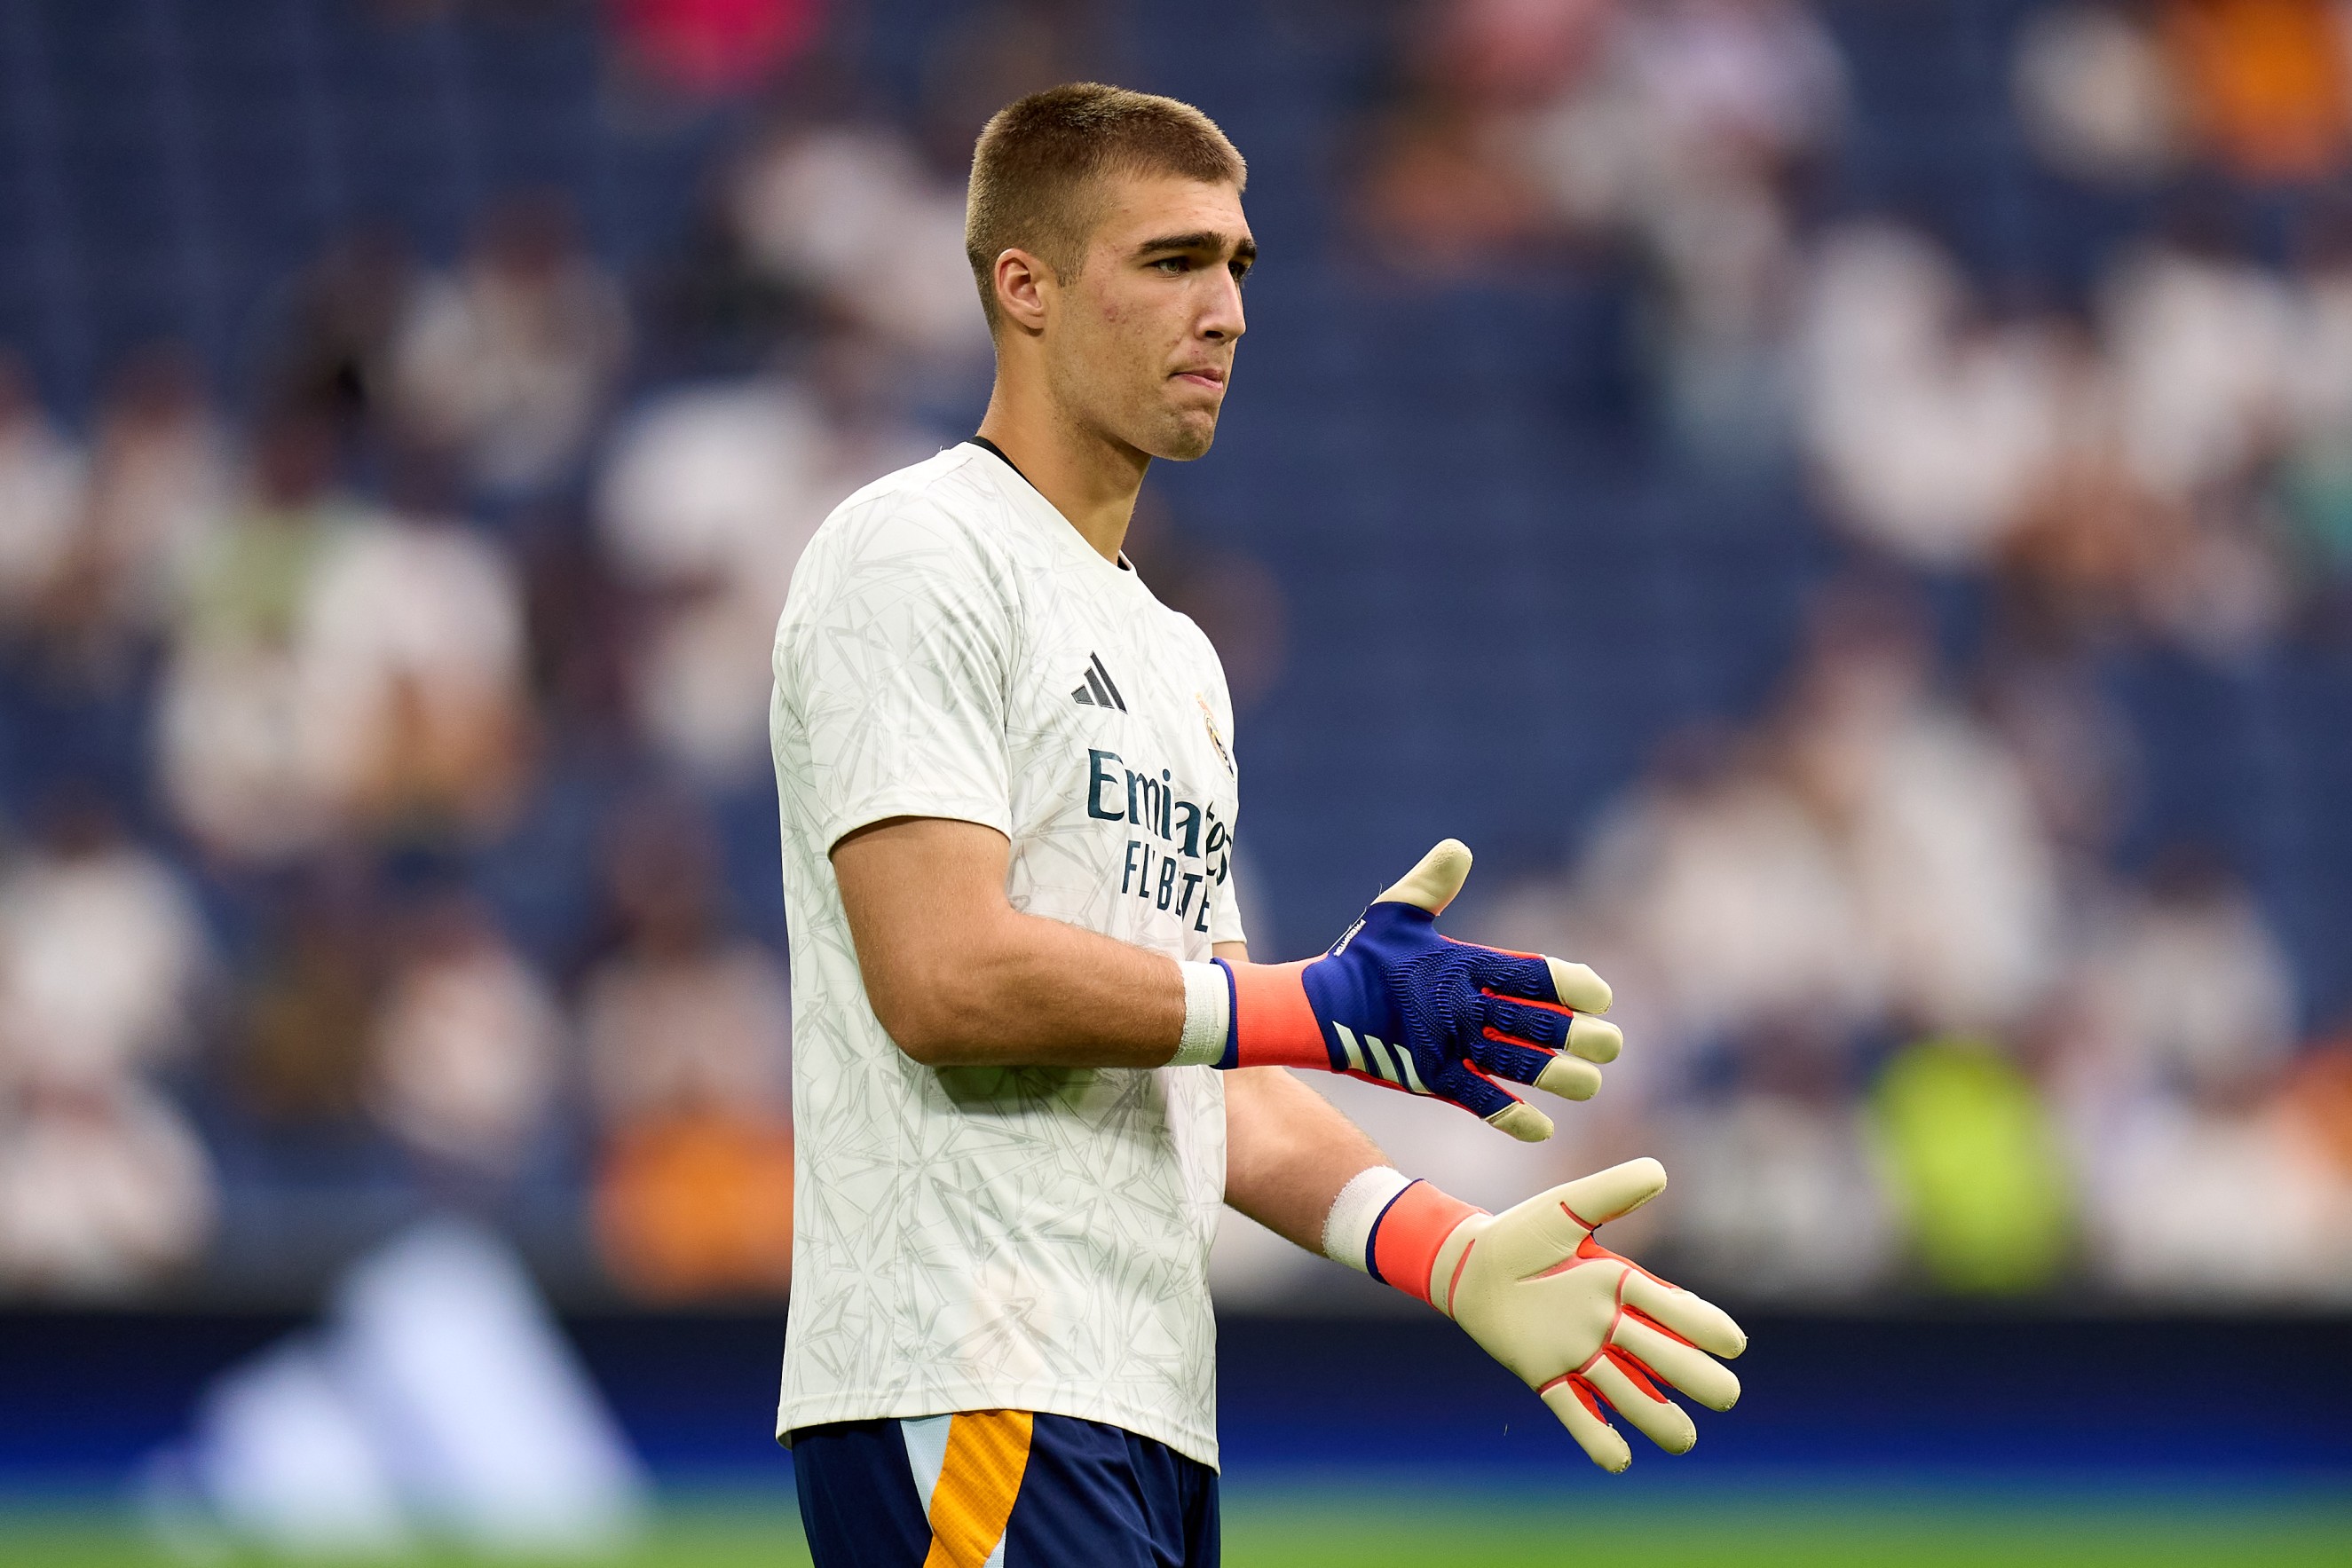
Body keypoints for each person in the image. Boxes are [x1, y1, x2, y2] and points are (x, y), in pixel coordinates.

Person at [770, 84, 1748, 1566]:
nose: (1223, 310)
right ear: (1021, 289)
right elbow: (943, 980)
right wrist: (1309, 1004)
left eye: (1237, 266)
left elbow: (1206, 1076)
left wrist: (1450, 1245)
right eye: (1169, 262)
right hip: (971, 1370)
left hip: (1141, 1400)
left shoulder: (1173, 658)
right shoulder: (916, 549)